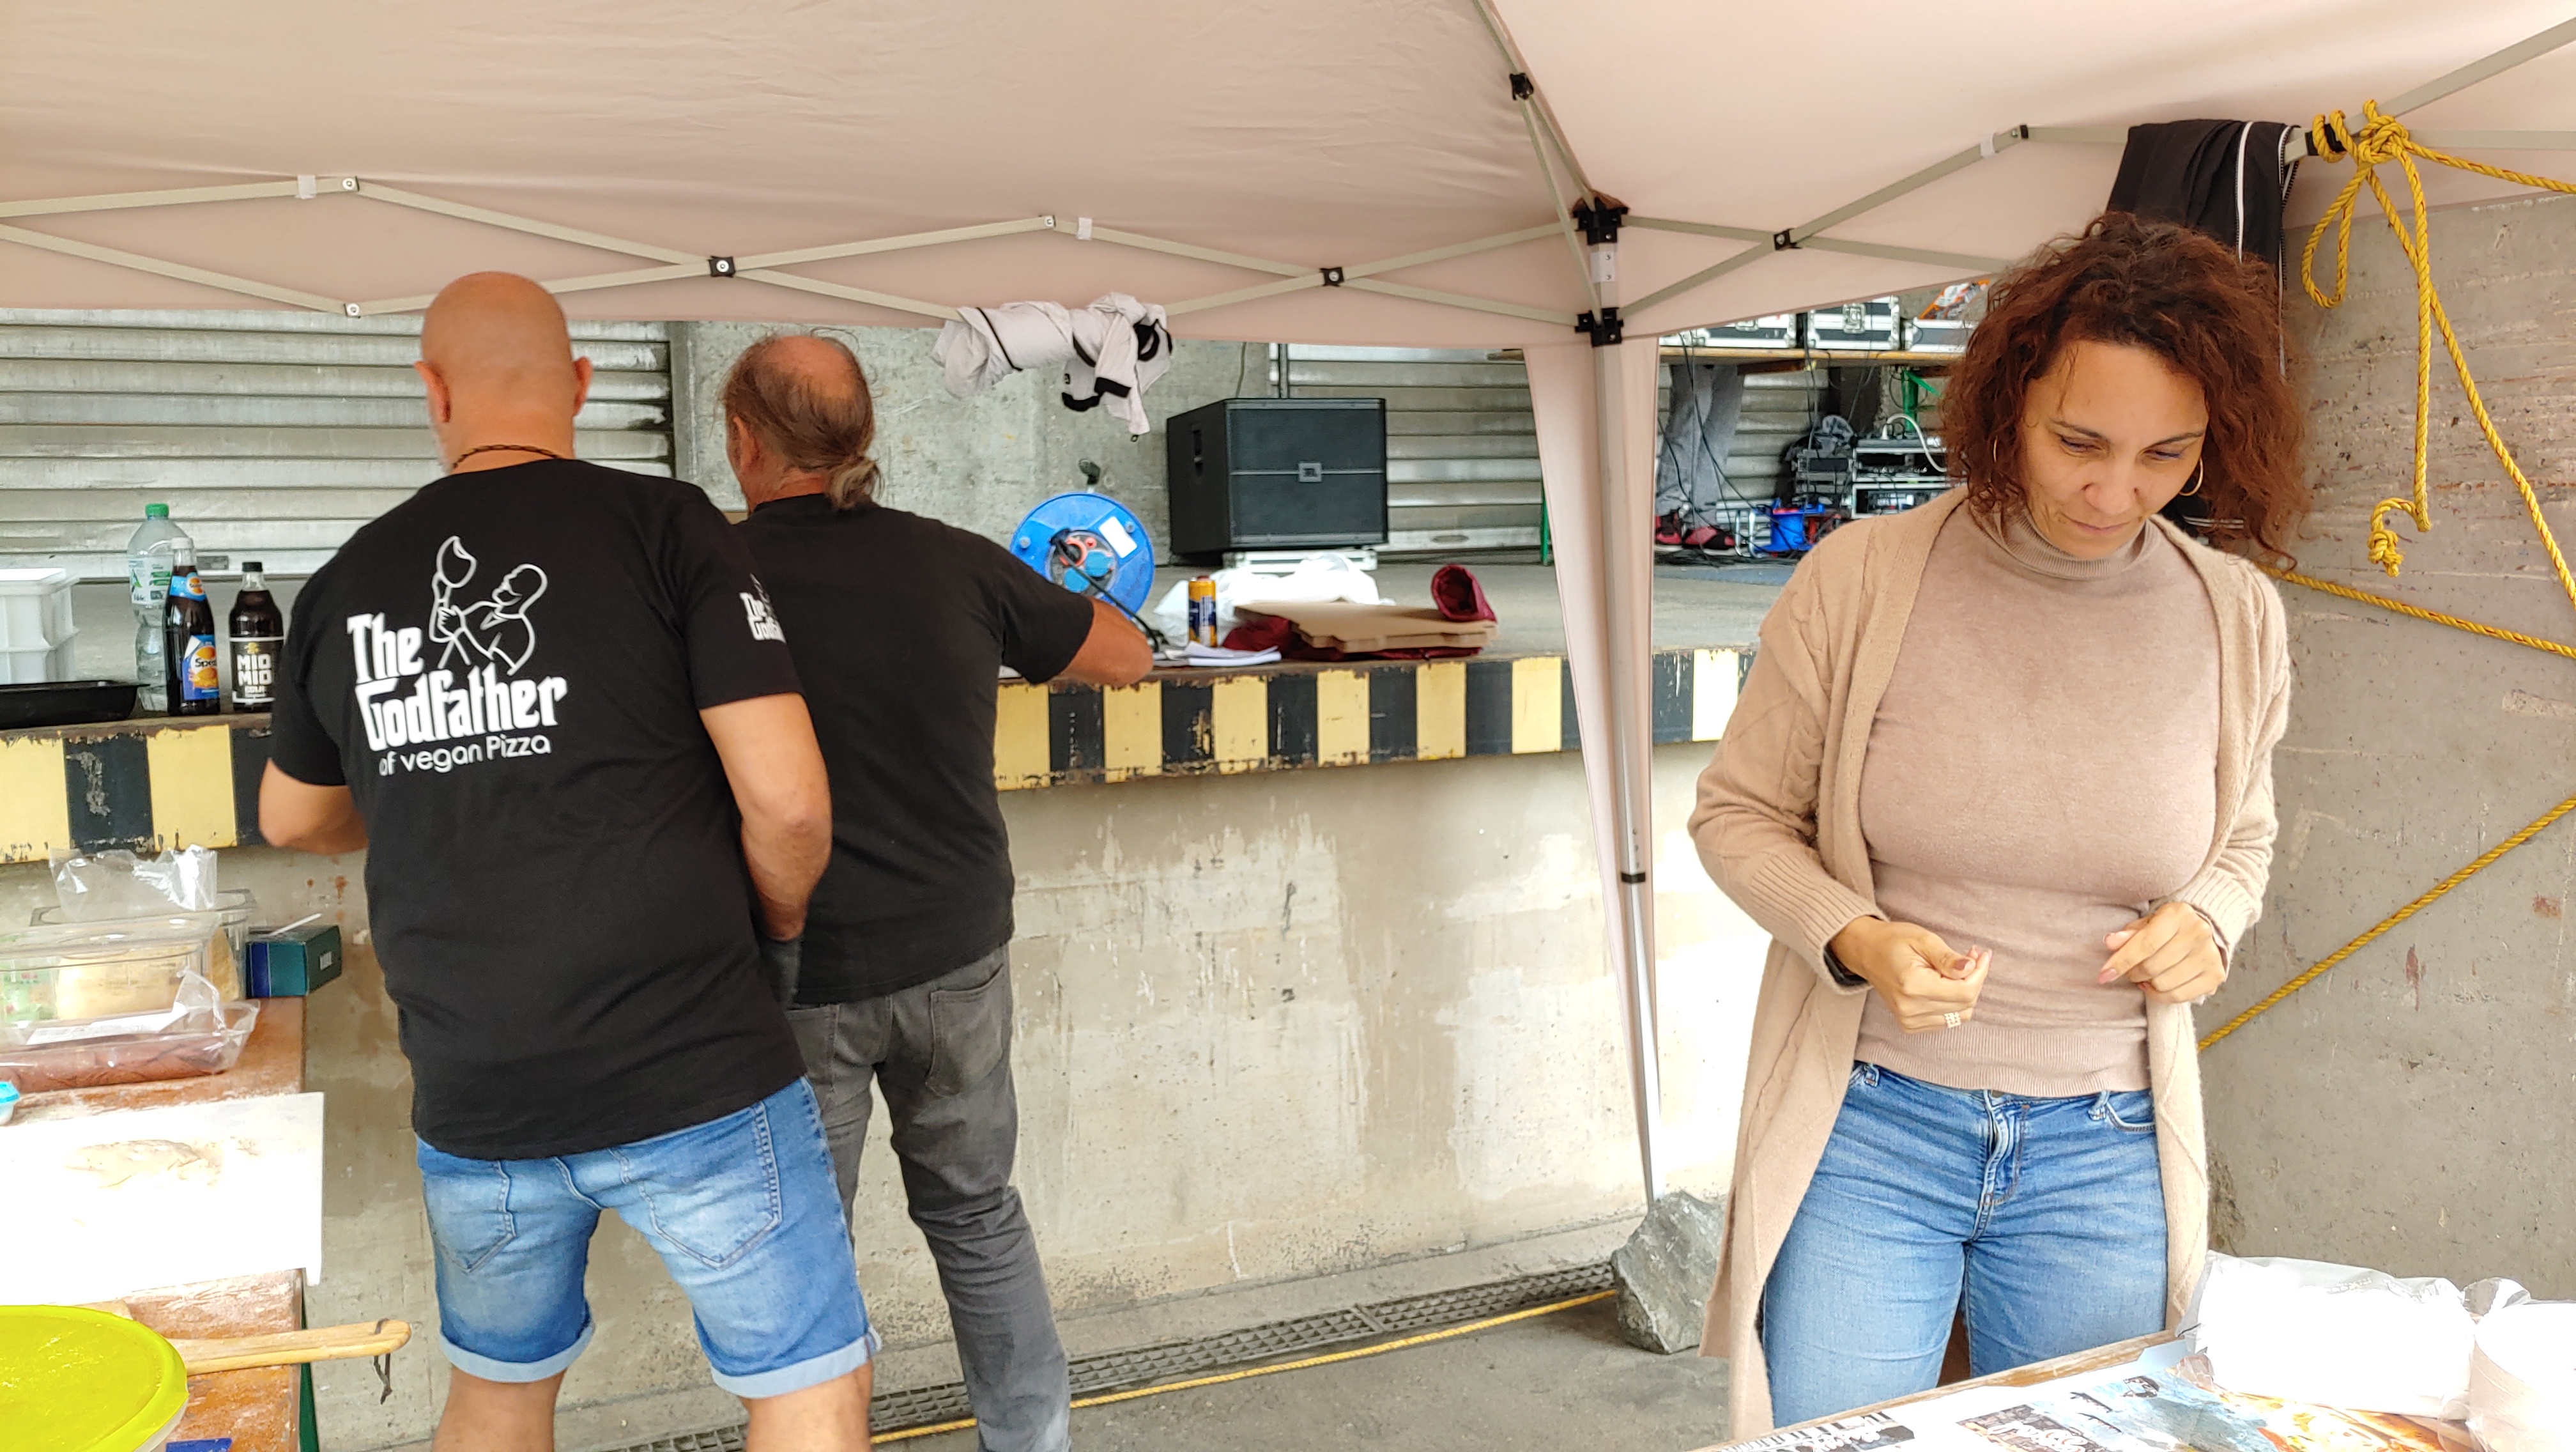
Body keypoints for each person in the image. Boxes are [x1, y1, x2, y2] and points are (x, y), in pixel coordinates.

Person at [1690, 213, 2308, 1435]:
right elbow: (1739, 815)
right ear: (2008, 403)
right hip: (1872, 1123)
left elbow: (2245, 836)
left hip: (2107, 1145)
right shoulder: (1863, 580)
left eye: (2166, 454)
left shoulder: (2234, 615)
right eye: (2079, 441)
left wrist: (2211, 919)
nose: (2114, 491)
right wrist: (1857, 938)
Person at [260, 274, 874, 1452]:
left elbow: (294, 817)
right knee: (805, 1386)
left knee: (499, 1389)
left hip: (479, 1090)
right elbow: (790, 802)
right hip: (694, 1062)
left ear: (432, 391)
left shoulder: (347, 579)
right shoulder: (668, 526)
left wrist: (423, 781)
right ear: (584, 385)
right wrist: (781, 925)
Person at [724, 332, 1150, 1452]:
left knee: (806, 1249)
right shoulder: (950, 559)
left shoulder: (710, 579)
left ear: (741, 442)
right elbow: (1126, 657)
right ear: (866, 436)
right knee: (976, 1213)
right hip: (959, 955)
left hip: (801, 966)